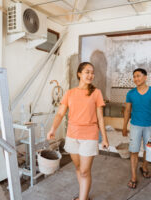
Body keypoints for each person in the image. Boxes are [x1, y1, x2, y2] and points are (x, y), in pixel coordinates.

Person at [47, 62, 109, 200]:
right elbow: (60, 114)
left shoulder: (96, 93)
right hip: (72, 136)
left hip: (89, 136)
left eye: (92, 72)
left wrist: (104, 138)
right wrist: (53, 129)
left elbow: (100, 117)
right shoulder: (70, 93)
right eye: (87, 72)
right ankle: (84, 196)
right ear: (79, 74)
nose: (90, 75)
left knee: (85, 171)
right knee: (78, 168)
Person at [122, 68, 151, 189]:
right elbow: (127, 110)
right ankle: (133, 177)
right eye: (134, 76)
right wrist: (124, 126)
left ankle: (144, 166)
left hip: (150, 126)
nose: (136, 79)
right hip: (135, 126)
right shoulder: (131, 93)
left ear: (145, 77)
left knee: (147, 150)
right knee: (133, 151)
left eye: (138, 76)